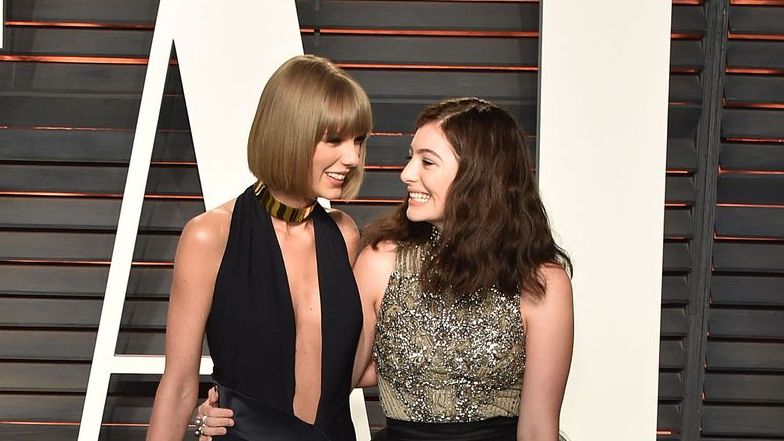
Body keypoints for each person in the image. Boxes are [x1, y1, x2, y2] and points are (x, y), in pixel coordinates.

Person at [198, 98, 573, 441]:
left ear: (480, 175)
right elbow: (330, 378)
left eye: (427, 162)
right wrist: (235, 409)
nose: (407, 174)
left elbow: (538, 429)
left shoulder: (542, 283)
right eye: (411, 158)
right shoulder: (380, 262)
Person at [146, 54, 372, 441]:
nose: (351, 158)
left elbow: (354, 369)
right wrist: (204, 417)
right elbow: (179, 384)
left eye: (358, 140)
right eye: (334, 140)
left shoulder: (344, 235)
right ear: (289, 133)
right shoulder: (209, 236)